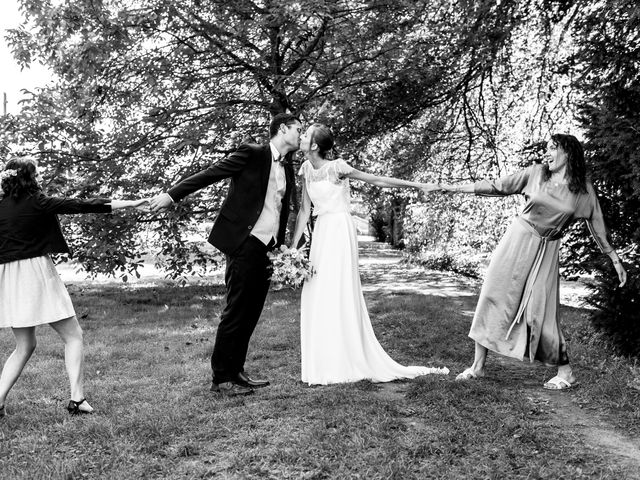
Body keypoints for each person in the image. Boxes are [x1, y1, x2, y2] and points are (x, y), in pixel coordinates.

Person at [441, 134, 627, 389]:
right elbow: (498, 186)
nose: (546, 153)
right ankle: (478, 366)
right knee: (492, 295)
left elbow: (597, 224)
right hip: (517, 241)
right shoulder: (537, 174)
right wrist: (455, 188)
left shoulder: (581, 189)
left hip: (547, 249)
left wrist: (614, 257)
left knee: (542, 308)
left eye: (552, 148)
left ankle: (566, 373)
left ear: (568, 153)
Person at [149, 113, 302, 396]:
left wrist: (280, 243)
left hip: (267, 248)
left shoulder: (286, 167)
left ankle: (237, 371)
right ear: (282, 130)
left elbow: (280, 208)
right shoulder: (252, 153)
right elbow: (211, 174)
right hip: (244, 243)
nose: (301, 135)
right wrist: (171, 195)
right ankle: (221, 378)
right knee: (236, 310)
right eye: (298, 130)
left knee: (252, 311)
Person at [290, 123, 449, 385]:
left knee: (338, 290)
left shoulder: (338, 167)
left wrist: (419, 185)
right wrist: (293, 248)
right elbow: (305, 210)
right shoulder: (306, 169)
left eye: (305, 135)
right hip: (321, 234)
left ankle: (346, 359)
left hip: (339, 231)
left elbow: (376, 179)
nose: (301, 137)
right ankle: (324, 361)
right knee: (317, 291)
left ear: (315, 145)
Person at [0, 157, 146, 417]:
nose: (39, 178)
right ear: (28, 178)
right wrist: (131, 202)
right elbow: (82, 205)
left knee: (24, 345)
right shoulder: (39, 202)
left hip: (8, 278)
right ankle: (77, 400)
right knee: (73, 336)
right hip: (34, 274)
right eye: (36, 174)